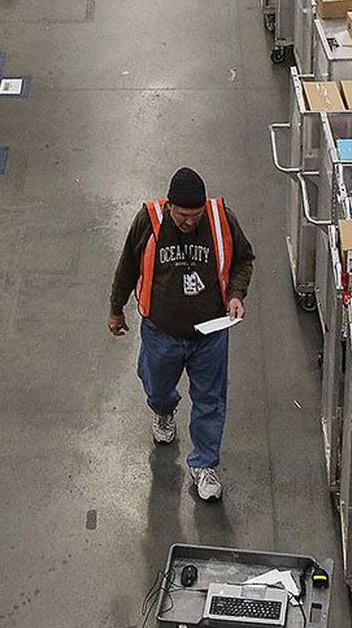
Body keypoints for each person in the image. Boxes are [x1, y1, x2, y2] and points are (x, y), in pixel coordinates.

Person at [108, 169, 255, 502]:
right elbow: (127, 267)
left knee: (210, 401)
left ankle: (204, 464)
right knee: (156, 387)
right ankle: (164, 411)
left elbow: (244, 259)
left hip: (210, 335)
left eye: (195, 215)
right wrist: (116, 308)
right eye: (182, 215)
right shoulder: (148, 221)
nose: (189, 222)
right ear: (169, 204)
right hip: (162, 333)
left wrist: (236, 294)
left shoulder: (221, 219)